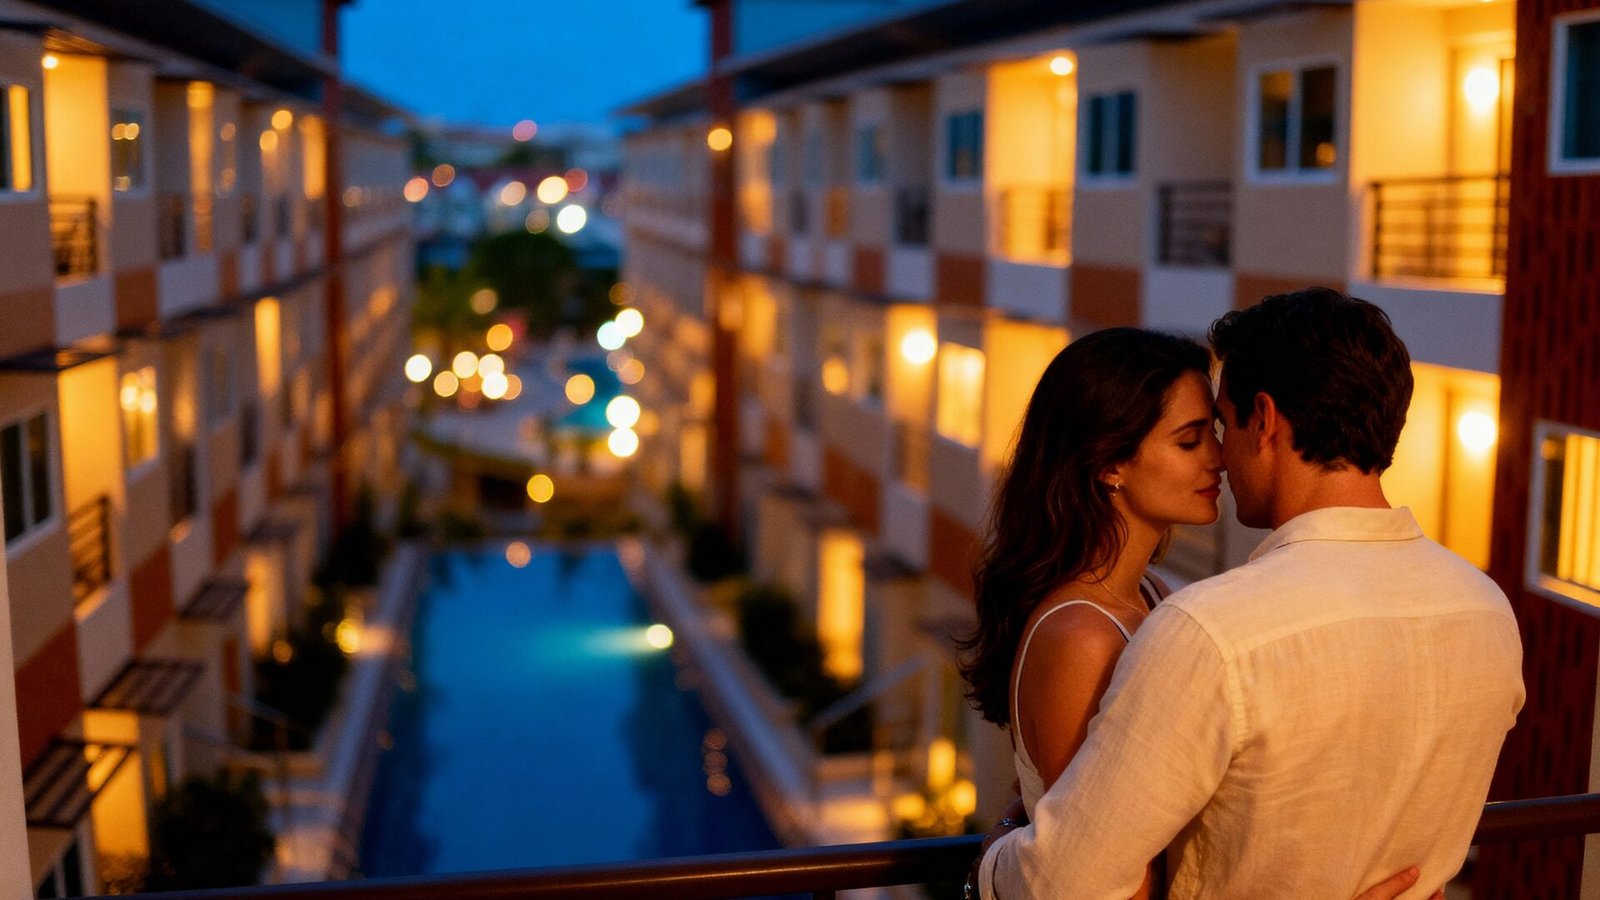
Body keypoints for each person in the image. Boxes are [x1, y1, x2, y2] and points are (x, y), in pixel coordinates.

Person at [969, 288, 1524, 899]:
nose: (1220, 458)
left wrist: (988, 863)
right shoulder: (1488, 610)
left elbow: (1070, 877)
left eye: (1220, 427)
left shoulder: (1209, 630)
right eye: (1191, 439)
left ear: (1263, 419)